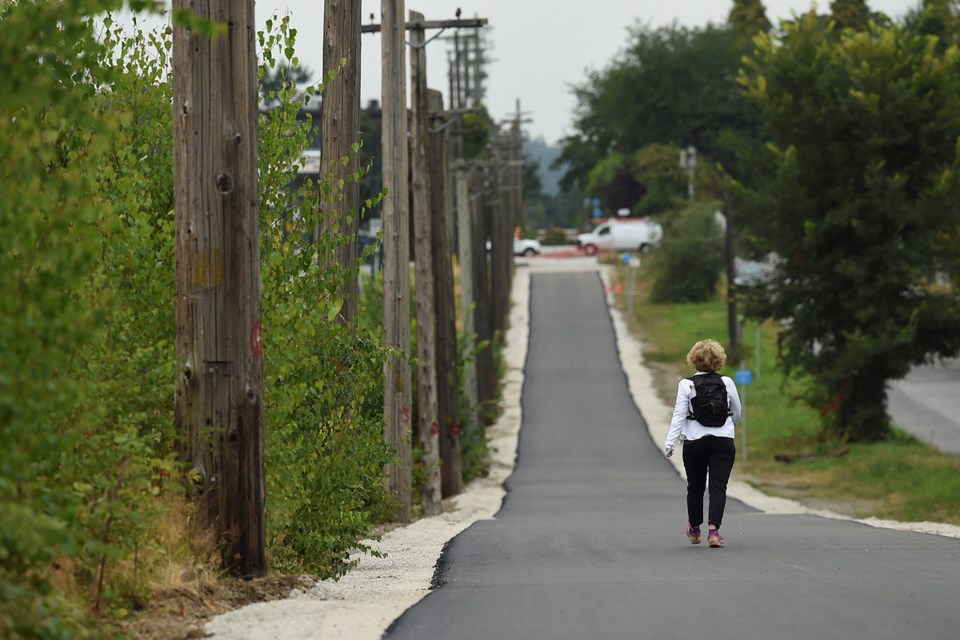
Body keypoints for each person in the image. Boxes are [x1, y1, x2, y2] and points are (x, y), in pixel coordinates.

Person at [664, 339, 742, 548]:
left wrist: (670, 443)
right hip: (723, 442)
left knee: (695, 486)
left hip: (695, 442)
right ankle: (714, 532)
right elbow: (737, 410)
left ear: (693, 361)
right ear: (719, 361)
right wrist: (727, 427)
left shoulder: (686, 384)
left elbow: (679, 414)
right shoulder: (727, 382)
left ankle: (695, 529)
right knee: (718, 487)